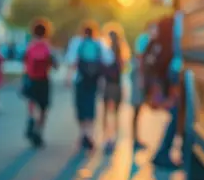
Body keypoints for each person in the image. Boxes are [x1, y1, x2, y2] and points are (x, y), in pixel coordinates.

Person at [145, 13, 184, 169]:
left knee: (176, 117)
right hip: (170, 86)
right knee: (176, 116)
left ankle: (165, 152)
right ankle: (162, 153)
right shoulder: (169, 48)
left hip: (163, 87)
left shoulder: (156, 45)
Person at [65, 21, 112, 150]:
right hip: (94, 79)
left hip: (80, 78)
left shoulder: (77, 42)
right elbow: (108, 60)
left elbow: (71, 61)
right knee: (91, 105)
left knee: (80, 105)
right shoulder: (99, 43)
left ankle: (83, 133)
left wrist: (68, 77)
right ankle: (89, 133)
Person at [22, 19, 56, 147]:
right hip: (43, 79)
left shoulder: (30, 46)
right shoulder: (47, 47)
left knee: (31, 102)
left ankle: (31, 119)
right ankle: (39, 131)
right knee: (43, 108)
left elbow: (25, 63)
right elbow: (53, 64)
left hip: (31, 78)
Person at [100, 22, 131, 152]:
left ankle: (107, 138)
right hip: (117, 85)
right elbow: (124, 68)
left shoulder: (106, 51)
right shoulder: (122, 52)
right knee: (116, 114)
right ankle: (114, 137)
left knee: (106, 113)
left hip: (108, 85)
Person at [131, 21, 156, 150]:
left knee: (139, 108)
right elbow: (140, 58)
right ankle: (134, 138)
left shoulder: (148, 40)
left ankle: (136, 137)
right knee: (137, 107)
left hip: (142, 76)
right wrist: (141, 78)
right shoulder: (144, 39)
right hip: (139, 76)